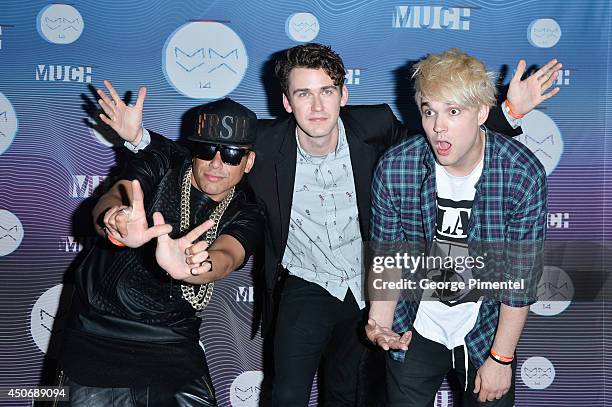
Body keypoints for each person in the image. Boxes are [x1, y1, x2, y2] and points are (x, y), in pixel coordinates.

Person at [113, 43, 560, 406]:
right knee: (286, 393)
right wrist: (139, 139)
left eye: (327, 91)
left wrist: (508, 113)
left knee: (352, 394)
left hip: (368, 283)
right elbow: (208, 155)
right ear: (287, 102)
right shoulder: (264, 144)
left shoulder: (377, 127)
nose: (317, 104)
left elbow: (444, 143)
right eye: (303, 94)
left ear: (343, 95)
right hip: (307, 283)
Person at [366, 48, 548, 406]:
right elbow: (388, 255)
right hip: (415, 322)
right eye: (429, 111)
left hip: (486, 329)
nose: (437, 126)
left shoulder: (520, 173)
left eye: (453, 111)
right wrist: (380, 324)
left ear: (482, 112)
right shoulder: (396, 168)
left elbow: (520, 278)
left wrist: (501, 358)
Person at [59, 97, 264, 406]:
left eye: (232, 154)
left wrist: (198, 266)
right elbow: (119, 193)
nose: (217, 163)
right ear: (194, 150)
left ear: (248, 161)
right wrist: (114, 219)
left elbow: (228, 255)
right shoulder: (165, 162)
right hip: (98, 330)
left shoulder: (247, 210)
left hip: (172, 341)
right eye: (207, 150)